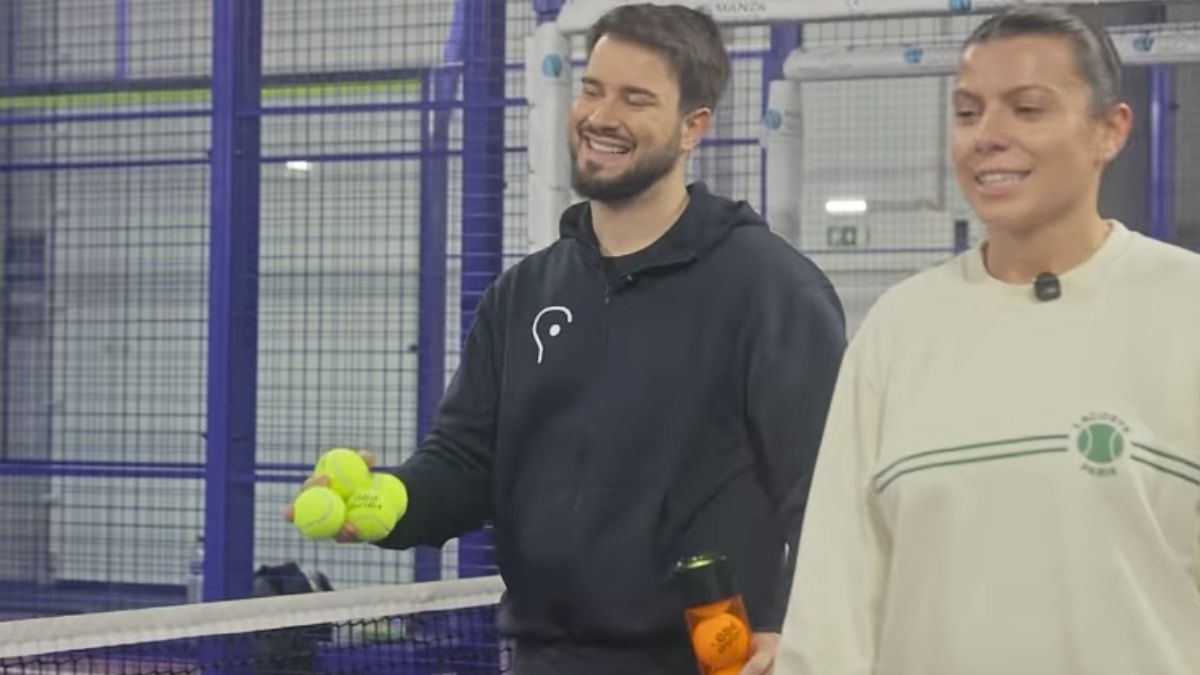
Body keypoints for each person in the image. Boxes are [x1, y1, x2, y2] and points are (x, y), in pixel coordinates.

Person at [286, 4, 845, 674]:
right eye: (592, 89)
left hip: (706, 662)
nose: (601, 116)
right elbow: (466, 461)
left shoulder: (771, 287)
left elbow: (826, 487)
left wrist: (793, 626)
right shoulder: (523, 293)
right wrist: (388, 502)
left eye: (636, 98)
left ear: (693, 126)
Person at [776, 5, 1200, 675]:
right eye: (968, 112)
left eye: (1027, 109)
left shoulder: (1184, 308)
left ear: (1110, 130)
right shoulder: (899, 330)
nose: (987, 136)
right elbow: (836, 594)